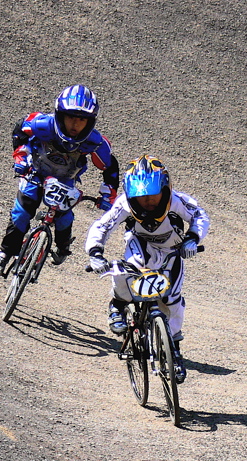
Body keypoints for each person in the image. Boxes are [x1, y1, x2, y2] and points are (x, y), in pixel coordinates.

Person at [85, 155, 210, 383]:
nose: (149, 203)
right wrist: (95, 252)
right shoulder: (124, 203)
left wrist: (192, 238)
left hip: (172, 250)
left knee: (173, 301)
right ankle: (118, 304)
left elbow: (199, 216)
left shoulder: (178, 200)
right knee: (125, 270)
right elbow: (103, 225)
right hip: (140, 244)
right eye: (142, 199)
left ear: (165, 189)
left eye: (153, 197)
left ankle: (174, 350)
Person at [0, 85, 120, 276]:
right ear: (60, 115)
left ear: (90, 122)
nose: (75, 125)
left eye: (82, 120)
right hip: (35, 171)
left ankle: (62, 247)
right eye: (70, 118)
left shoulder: (96, 142)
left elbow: (110, 167)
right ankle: (5, 252)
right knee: (22, 210)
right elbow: (20, 131)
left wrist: (109, 194)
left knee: (64, 216)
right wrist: (21, 157)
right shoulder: (42, 124)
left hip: (65, 180)